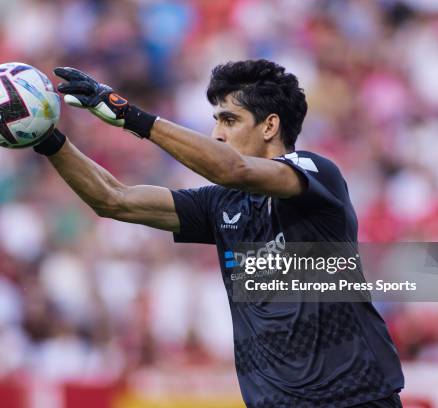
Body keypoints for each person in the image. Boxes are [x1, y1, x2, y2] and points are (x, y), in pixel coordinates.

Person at [33, 59, 404, 408]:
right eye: (216, 121)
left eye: (229, 120)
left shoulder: (314, 171)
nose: (216, 134)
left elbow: (234, 169)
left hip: (354, 397)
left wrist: (131, 117)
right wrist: (47, 139)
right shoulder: (221, 205)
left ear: (270, 126)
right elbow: (114, 199)